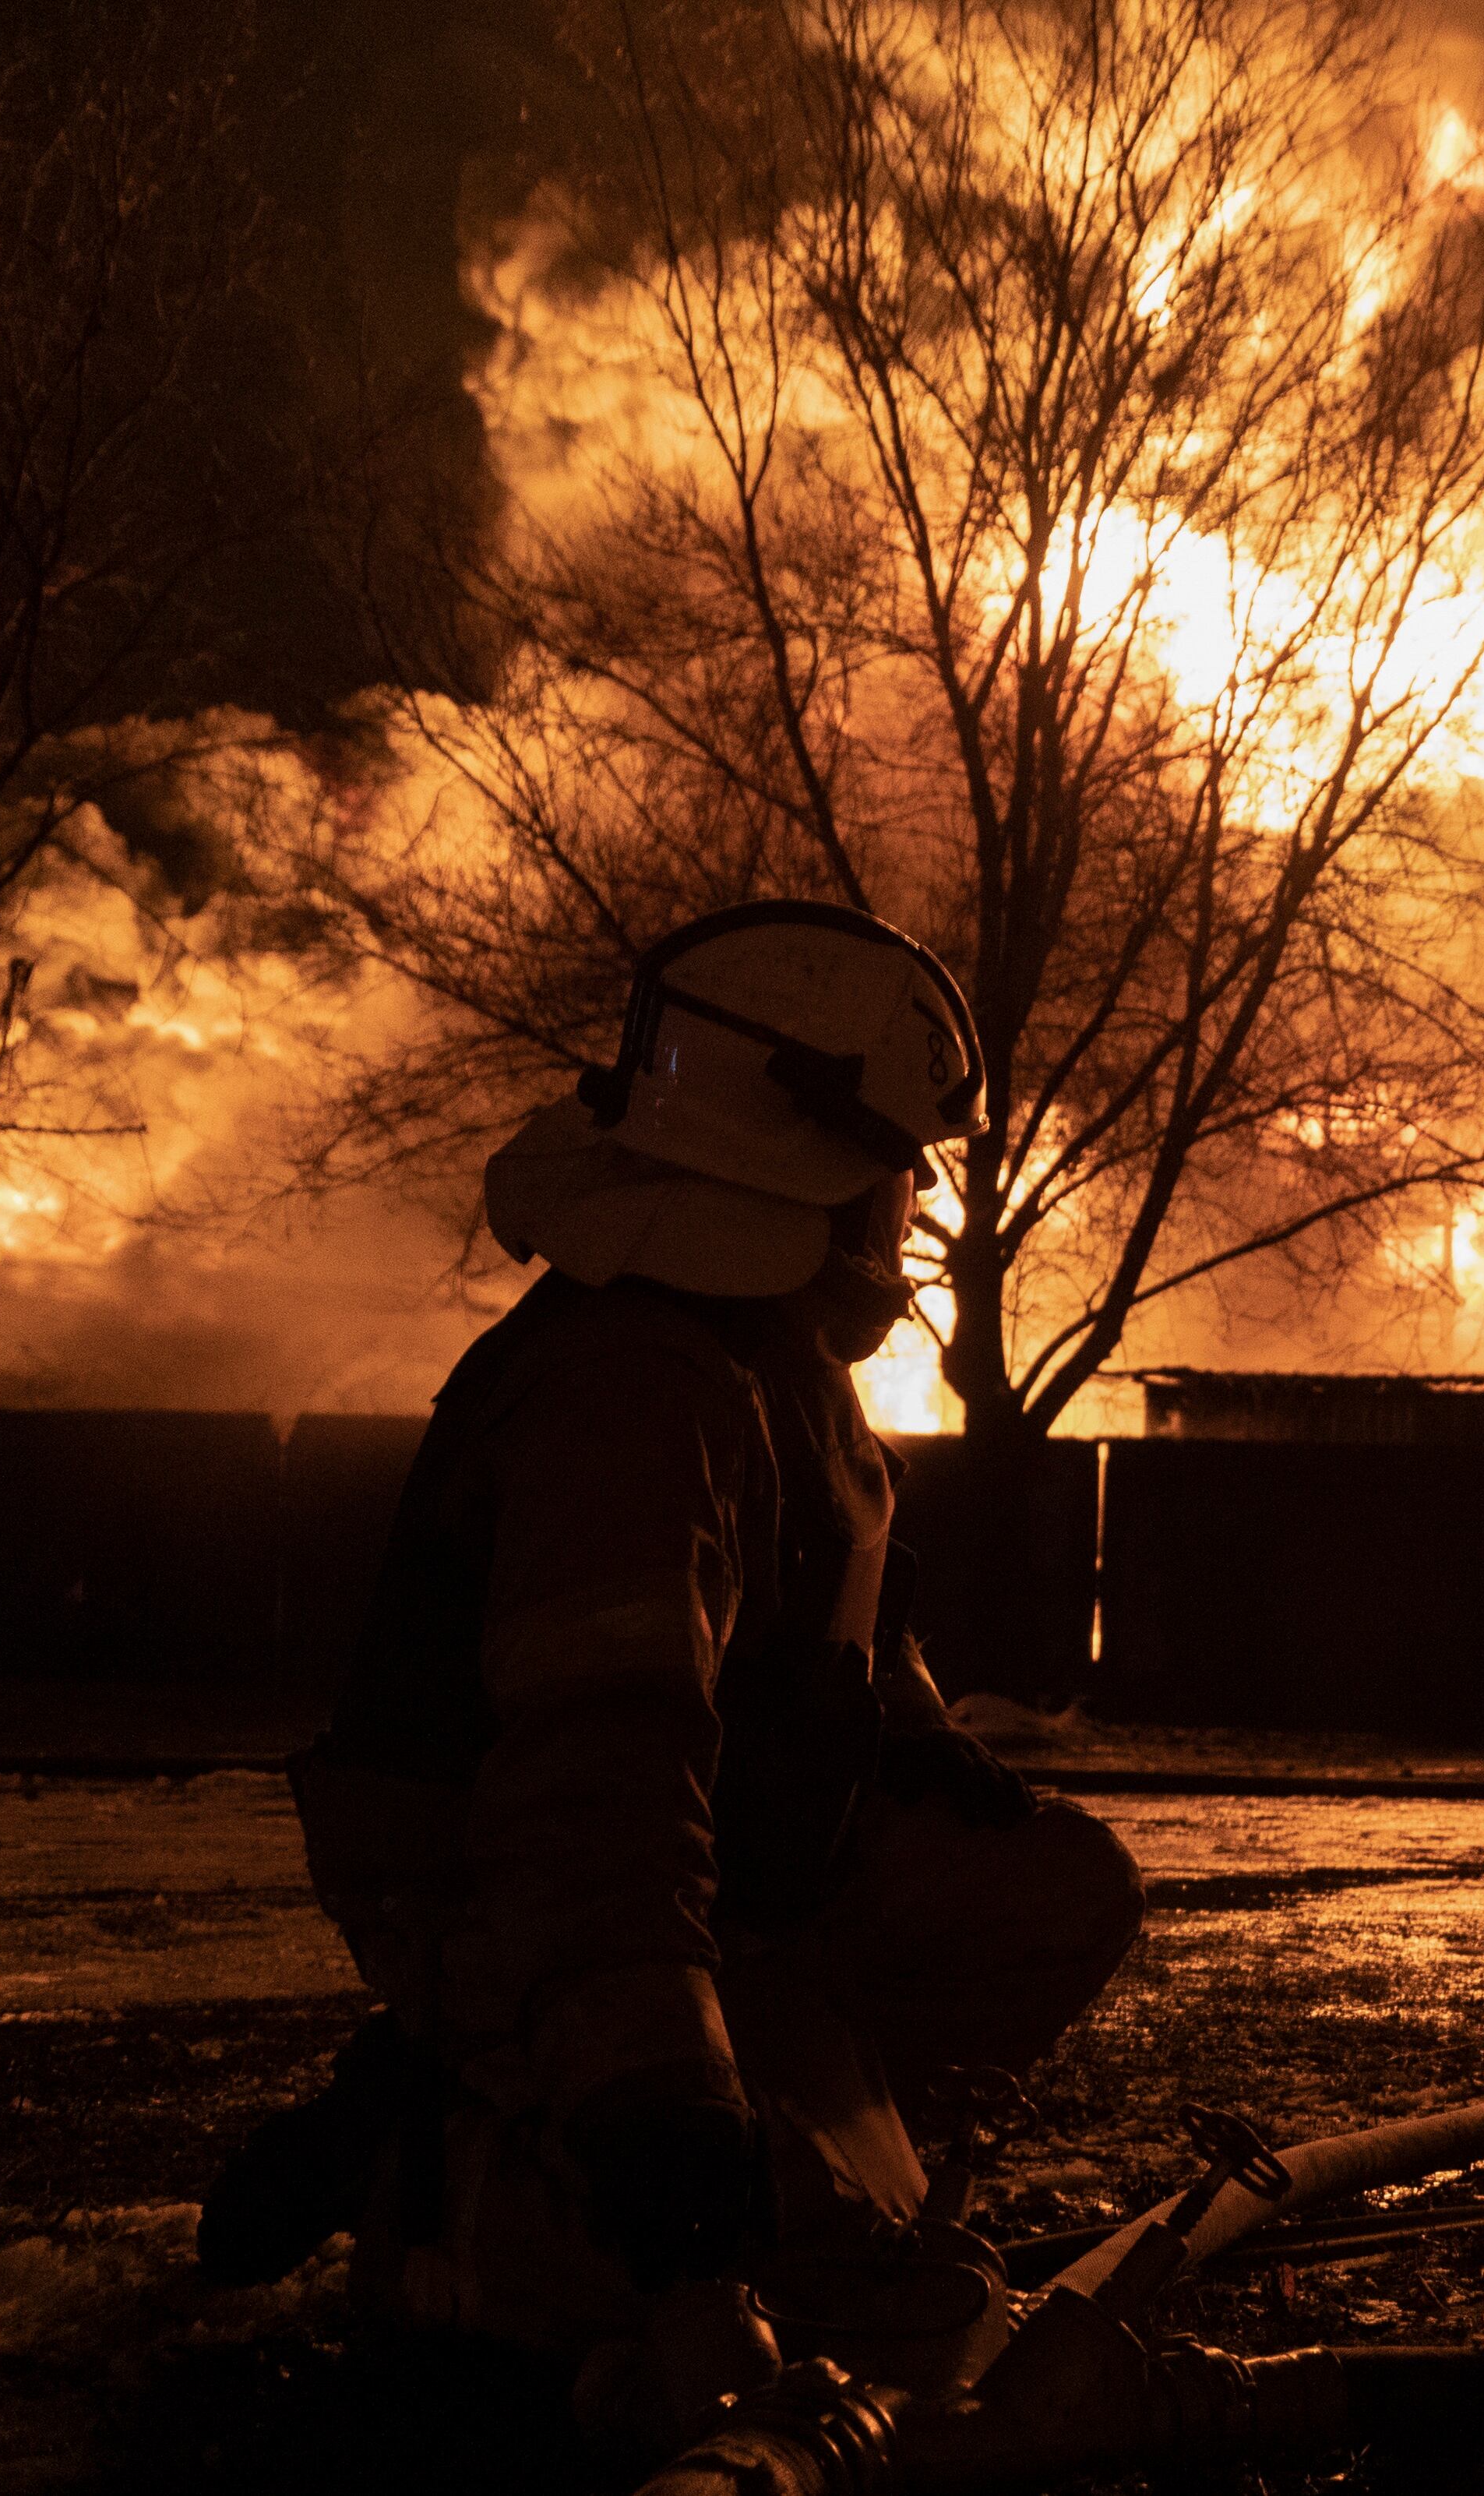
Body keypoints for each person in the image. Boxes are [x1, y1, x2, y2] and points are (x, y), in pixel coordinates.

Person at [200, 901, 1141, 2434]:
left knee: (1046, 1893)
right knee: (815, 2309)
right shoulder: (630, 1402)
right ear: (802, 1161)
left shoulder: (772, 1364)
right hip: (514, 1888)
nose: (912, 1201)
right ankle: (472, 2175)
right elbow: (595, 1808)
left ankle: (634, 2102)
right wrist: (686, 2208)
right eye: (897, 1164)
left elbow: (810, 1625)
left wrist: (898, 1735)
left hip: (724, 1878)